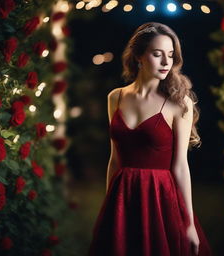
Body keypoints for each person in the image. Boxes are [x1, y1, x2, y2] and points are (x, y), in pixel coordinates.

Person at [87, 22, 212, 256]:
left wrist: (189, 223)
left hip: (160, 197)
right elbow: (115, 159)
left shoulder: (178, 102)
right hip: (123, 196)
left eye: (170, 55)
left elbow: (181, 166)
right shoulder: (115, 97)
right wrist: (109, 208)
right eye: (157, 54)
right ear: (138, 56)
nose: (166, 62)